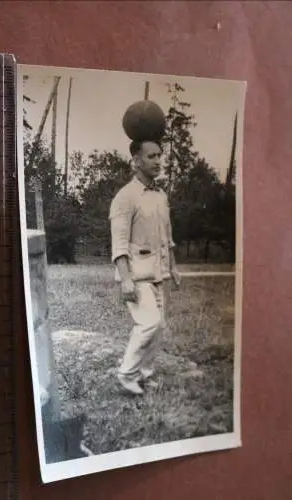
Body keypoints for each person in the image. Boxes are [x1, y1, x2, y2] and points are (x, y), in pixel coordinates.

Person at [109, 139, 180, 395]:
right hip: (137, 274)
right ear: (136, 161)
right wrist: (126, 279)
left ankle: (145, 375)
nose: (158, 160)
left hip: (157, 272)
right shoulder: (125, 197)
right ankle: (126, 375)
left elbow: (167, 235)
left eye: (160, 155)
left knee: (158, 327)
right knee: (148, 323)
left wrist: (172, 266)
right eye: (151, 156)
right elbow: (118, 244)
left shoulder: (160, 196)